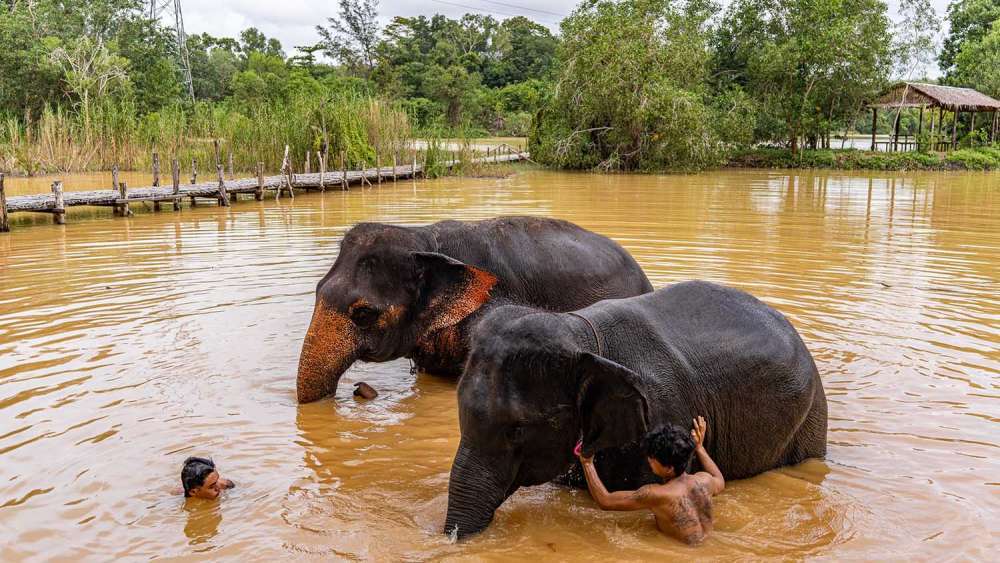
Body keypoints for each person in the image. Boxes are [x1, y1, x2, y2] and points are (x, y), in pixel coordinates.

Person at [576, 416, 725, 545]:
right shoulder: (704, 480)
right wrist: (699, 448)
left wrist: (587, 462)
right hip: (708, 547)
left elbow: (605, 501)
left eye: (653, 458)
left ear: (669, 468)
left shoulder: (655, 494)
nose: (649, 459)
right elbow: (720, 480)